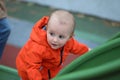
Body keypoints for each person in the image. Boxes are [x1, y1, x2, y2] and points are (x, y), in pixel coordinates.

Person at [16, 10, 89, 80]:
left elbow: (76, 46)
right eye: (51, 34)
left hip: (49, 70)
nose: (55, 40)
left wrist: (87, 50)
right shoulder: (37, 48)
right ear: (47, 29)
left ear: (70, 37)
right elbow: (32, 68)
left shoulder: (68, 42)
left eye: (61, 37)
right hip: (28, 72)